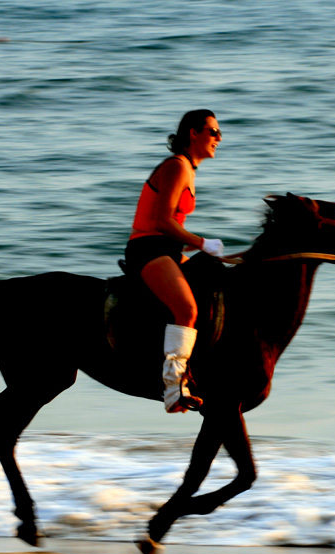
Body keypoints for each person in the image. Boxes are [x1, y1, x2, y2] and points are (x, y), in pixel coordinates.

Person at [124, 110, 225, 413]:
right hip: (148, 249)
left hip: (166, 249)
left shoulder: (190, 170)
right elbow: (162, 221)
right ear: (193, 133)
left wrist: (209, 253)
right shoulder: (177, 166)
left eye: (219, 133)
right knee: (187, 308)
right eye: (213, 131)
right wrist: (202, 243)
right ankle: (173, 388)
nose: (219, 138)